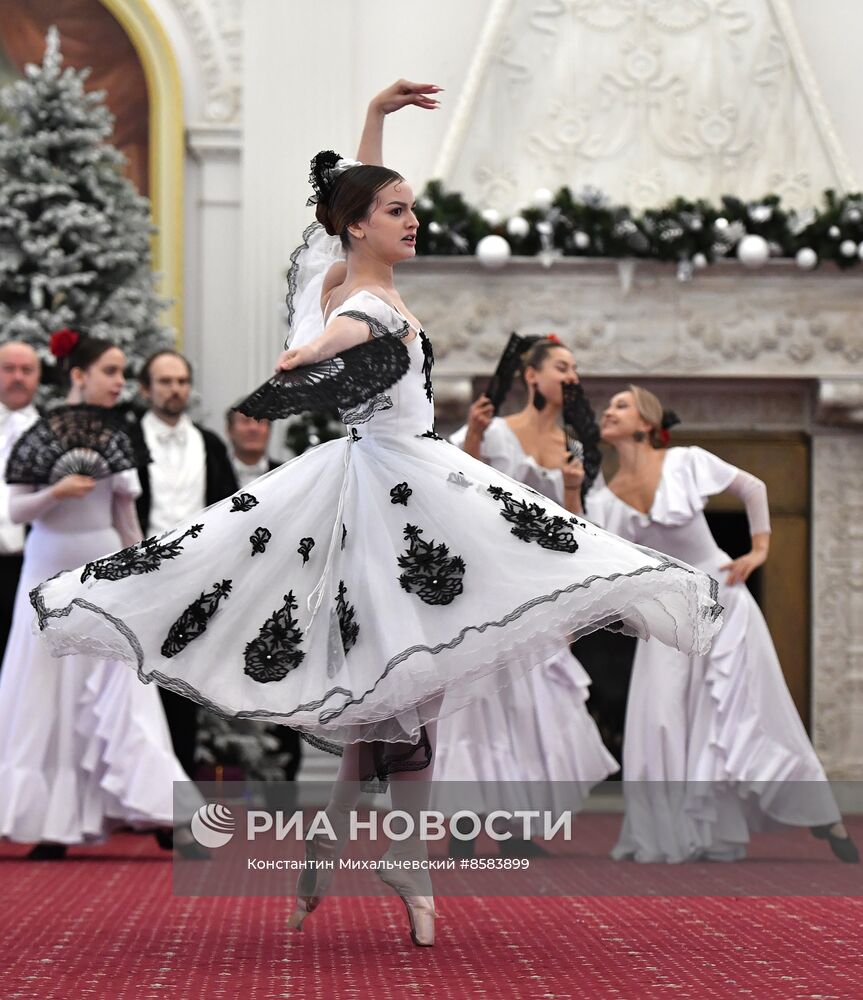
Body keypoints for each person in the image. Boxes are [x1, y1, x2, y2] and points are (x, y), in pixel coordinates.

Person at [30, 83, 722, 944]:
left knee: (394, 691)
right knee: (410, 681)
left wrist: (375, 117)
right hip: (388, 496)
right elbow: (324, 340)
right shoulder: (358, 306)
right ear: (363, 225)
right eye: (397, 210)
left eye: (410, 207)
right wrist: (314, 350)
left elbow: (340, 217)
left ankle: (340, 846)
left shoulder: (346, 274)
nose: (412, 220)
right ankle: (400, 857)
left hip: (404, 484)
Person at [588, 385, 858, 864]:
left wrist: (759, 550)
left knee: (752, 714)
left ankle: (824, 817)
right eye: (608, 407)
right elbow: (593, 555)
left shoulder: (686, 461)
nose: (609, 411)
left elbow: (753, 487)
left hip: (724, 603)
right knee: (661, 721)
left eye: (621, 406)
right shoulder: (607, 501)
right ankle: (675, 831)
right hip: (667, 616)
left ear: (647, 424)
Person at [0, 332, 200, 859]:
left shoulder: (120, 437)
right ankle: (49, 822)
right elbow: (17, 512)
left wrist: (148, 571)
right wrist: (53, 493)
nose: (118, 382)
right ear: (79, 375)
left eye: (120, 372)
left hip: (103, 569)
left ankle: (158, 806)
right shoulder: (40, 435)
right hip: (46, 567)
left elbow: (125, 519)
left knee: (121, 686)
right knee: (44, 688)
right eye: (110, 371)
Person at [435, 337, 618, 856]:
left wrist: (576, 487)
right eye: (562, 366)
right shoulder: (491, 430)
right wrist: (471, 437)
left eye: (576, 368)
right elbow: (446, 485)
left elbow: (579, 532)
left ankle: (518, 825)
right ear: (531, 376)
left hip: (538, 589)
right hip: (486, 580)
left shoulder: (572, 447)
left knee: (533, 702)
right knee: (478, 701)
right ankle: (464, 825)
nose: (572, 376)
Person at [134, 350, 238, 780]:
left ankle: (176, 792)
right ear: (145, 389)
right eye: (164, 381)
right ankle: (139, 791)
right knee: (136, 692)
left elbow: (232, 509)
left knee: (180, 690)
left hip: (193, 584)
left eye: (180, 381)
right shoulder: (128, 440)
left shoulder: (209, 443)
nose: (174, 389)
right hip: (138, 582)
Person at [0, 341, 40, 669]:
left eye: (26, 370)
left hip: (30, 565)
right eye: (8, 369)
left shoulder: (50, 433)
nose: (17, 377)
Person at [226, 407, 280, 489]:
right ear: (230, 430)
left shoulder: (285, 473)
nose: (253, 428)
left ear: (269, 430)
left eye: (260, 421)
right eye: (245, 421)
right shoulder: (210, 476)